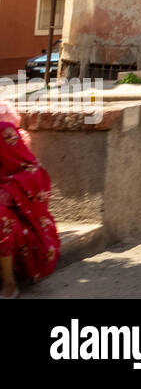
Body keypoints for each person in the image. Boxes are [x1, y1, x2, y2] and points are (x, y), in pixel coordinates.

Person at [0, 99, 59, 297]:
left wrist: (8, 192)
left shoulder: (4, 133)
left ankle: (9, 283)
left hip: (12, 205)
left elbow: (33, 170)